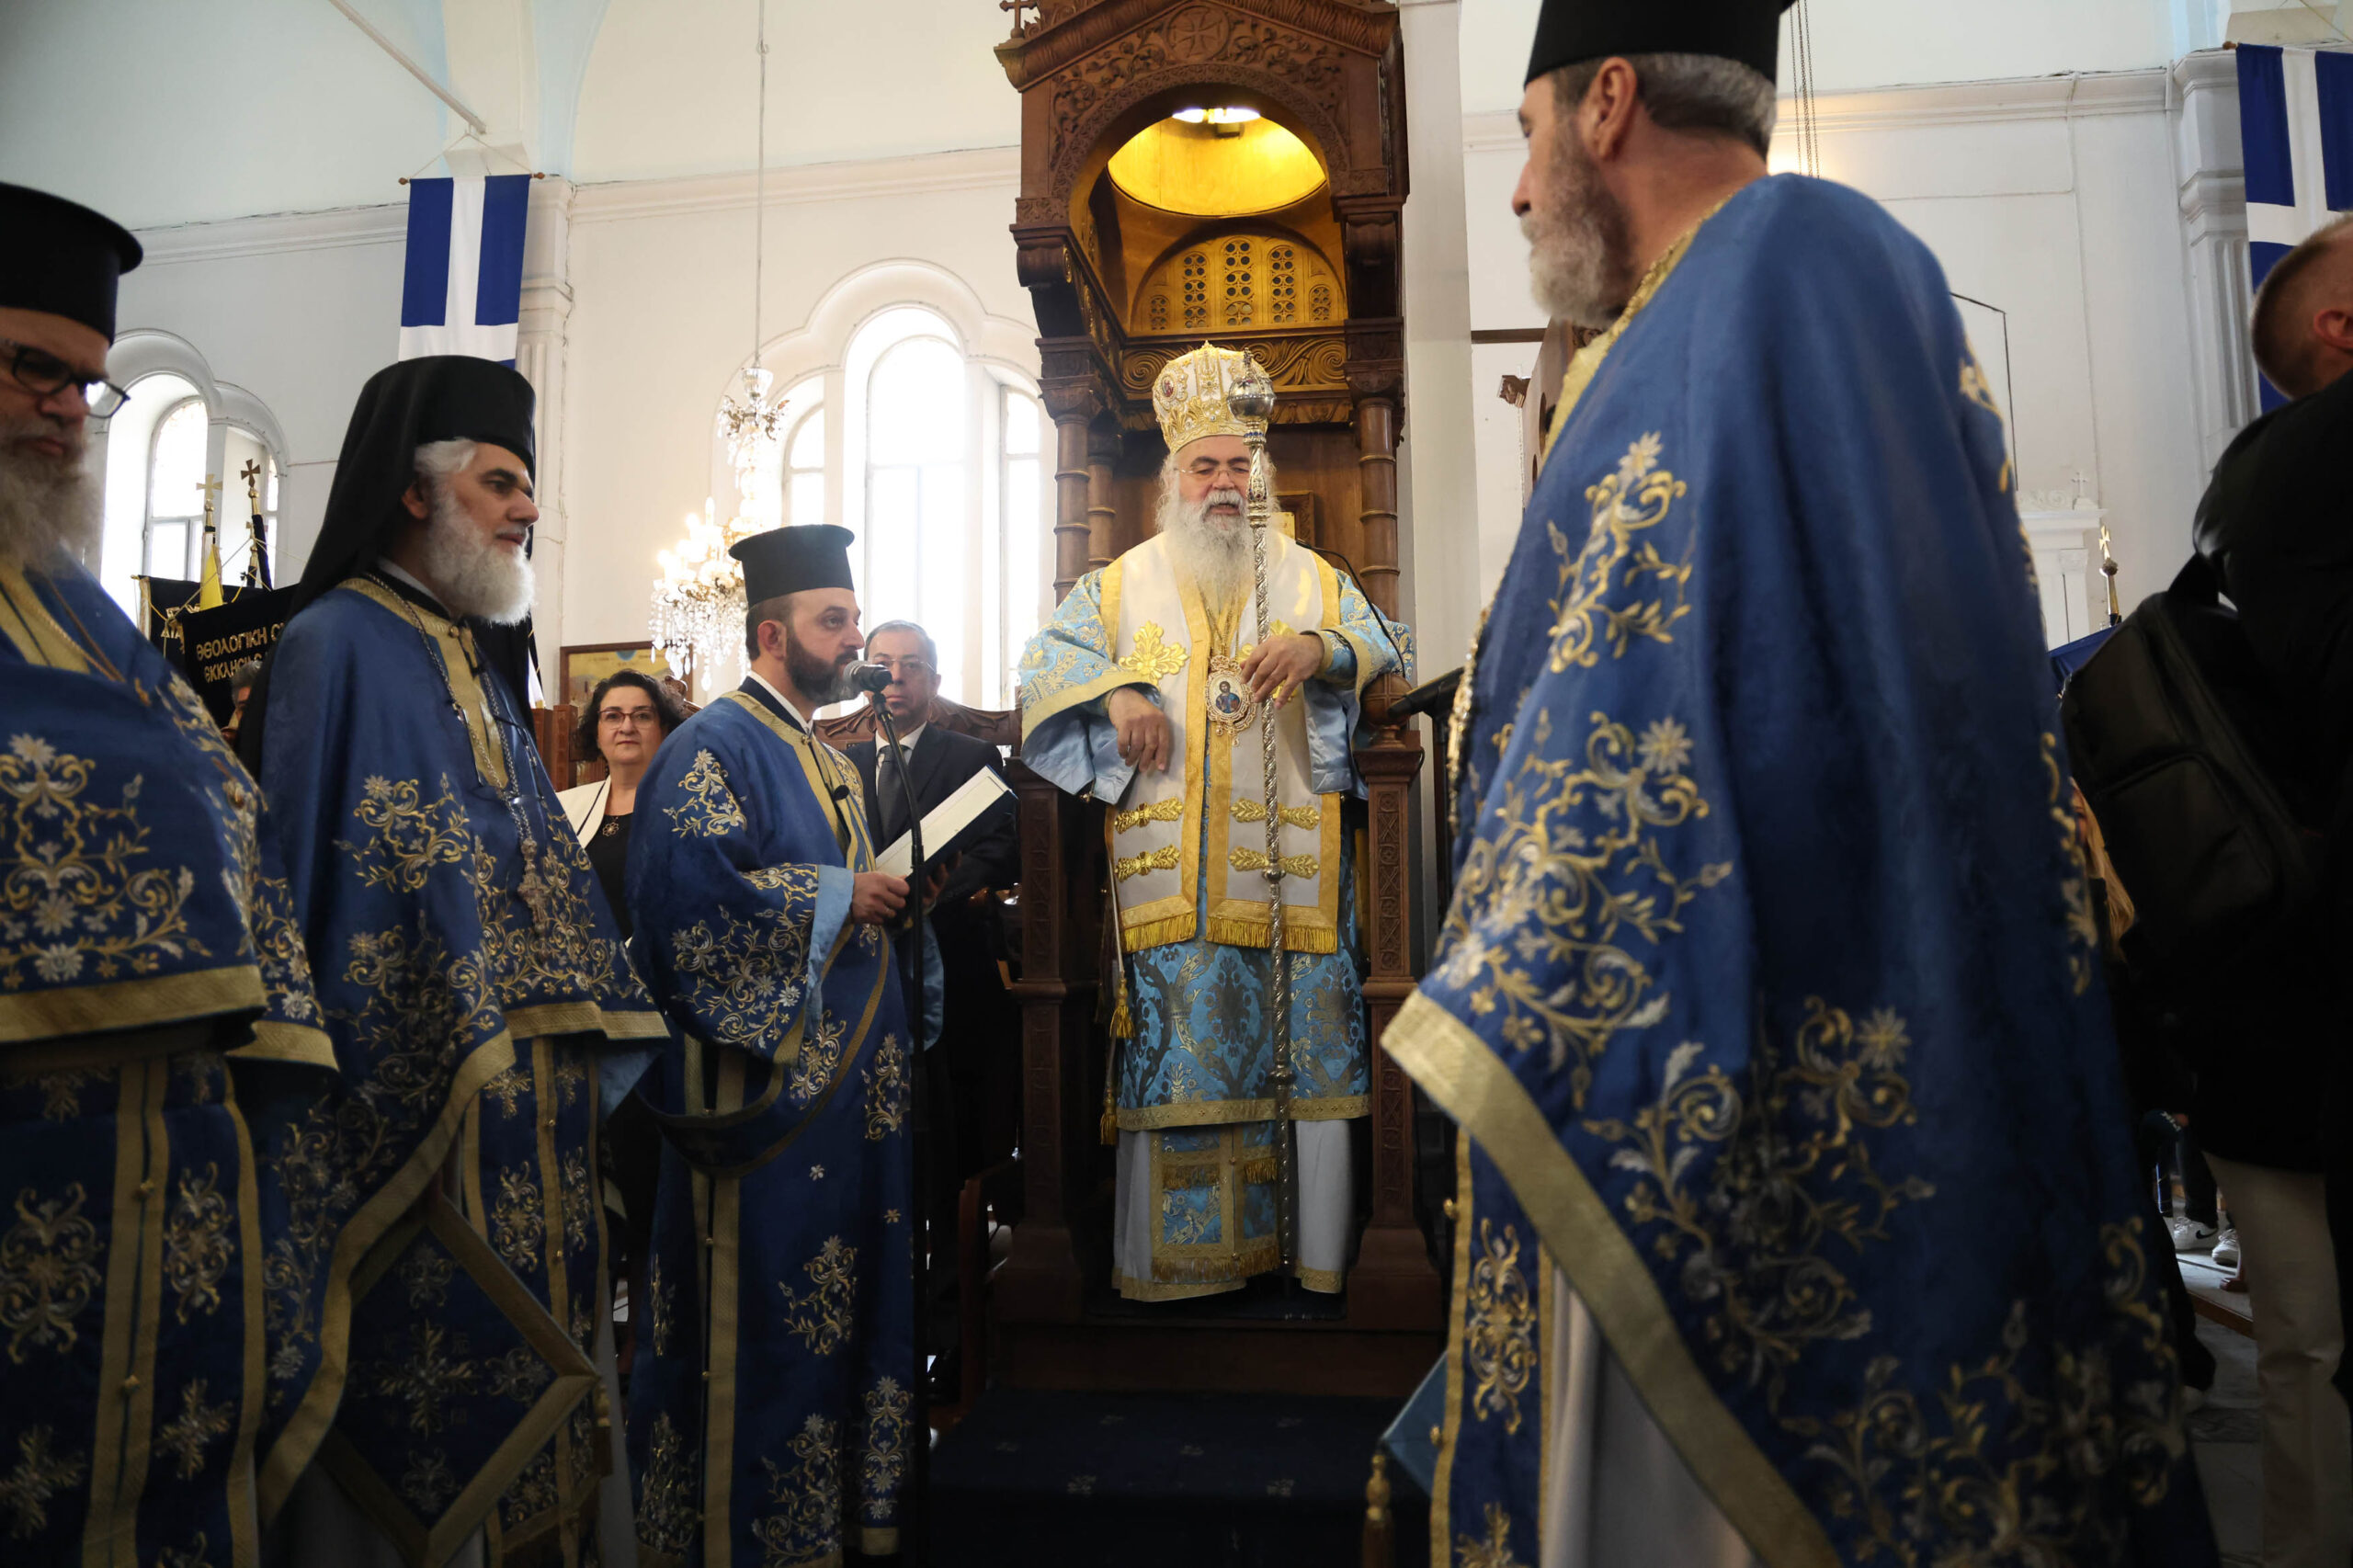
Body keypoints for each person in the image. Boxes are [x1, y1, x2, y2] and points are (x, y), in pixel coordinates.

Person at [1381, 4, 2216, 1564]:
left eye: (1528, 136)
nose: (1521, 190)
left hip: (1725, 1075)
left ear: (1607, 103)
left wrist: (1536, 971)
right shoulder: (1683, 320)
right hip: (1674, 1045)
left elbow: (1815, 700)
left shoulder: (1793, 257)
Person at [247, 355, 665, 1565]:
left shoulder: (475, 652)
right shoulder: (335, 642)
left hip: (533, 1114)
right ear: (416, 489)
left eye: (527, 485)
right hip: (415, 1117)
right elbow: (311, 890)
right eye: (500, 482)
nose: (528, 508)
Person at [0, 179, 332, 1565]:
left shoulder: (87, 615)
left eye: (87, 386)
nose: (65, 412)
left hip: (167, 1204)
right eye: (32, 368)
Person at [1017, 343, 1413, 1302]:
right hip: (1177, 889)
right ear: (1174, 478)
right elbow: (1043, 667)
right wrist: (1118, 695)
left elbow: (1386, 645)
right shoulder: (1120, 585)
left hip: (1298, 887)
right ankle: (1183, 1272)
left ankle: (1306, 1255)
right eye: (1206, 466)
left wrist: (1317, 646)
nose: (1225, 482)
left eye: (1240, 464)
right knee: (1186, 1064)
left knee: (1306, 1064)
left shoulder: (1312, 577)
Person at [623, 524, 915, 1564]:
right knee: (768, 1324)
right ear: (771, 633)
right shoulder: (713, 745)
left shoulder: (826, 755)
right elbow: (683, 903)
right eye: (833, 621)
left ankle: (835, 1528)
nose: (852, 639)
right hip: (764, 1112)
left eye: (853, 618)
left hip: (848, 1111)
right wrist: (839, 895)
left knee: (842, 1318)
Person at [2183, 211, 2353, 1568]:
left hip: (2268, 997)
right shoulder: (2308, 466)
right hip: (2305, 1003)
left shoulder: (2255, 490)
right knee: (2312, 1346)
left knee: (2308, 1347)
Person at [844, 619, 1019, 1398]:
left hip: (955, 977)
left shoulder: (971, 757)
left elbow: (1006, 842)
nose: (895, 678)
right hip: (860, 987)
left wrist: (941, 889)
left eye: (911, 666)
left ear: (935, 681)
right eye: (882, 664)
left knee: (948, 1157)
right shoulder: (838, 765)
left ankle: (950, 1334)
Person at [560, 666, 690, 940]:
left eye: (642, 716)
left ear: (664, 730)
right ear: (596, 733)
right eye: (613, 716)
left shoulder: (690, 809)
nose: (627, 727)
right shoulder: (562, 806)